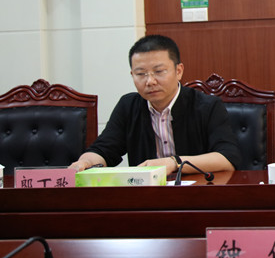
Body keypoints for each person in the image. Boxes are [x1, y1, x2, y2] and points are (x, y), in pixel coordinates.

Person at [70, 35, 242, 175]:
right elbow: (104, 149)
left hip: (196, 192)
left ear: (178, 71)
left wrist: (174, 163)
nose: (150, 81)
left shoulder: (207, 106)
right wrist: (85, 162)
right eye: (141, 74)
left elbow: (227, 158)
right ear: (132, 75)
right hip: (146, 196)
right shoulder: (128, 106)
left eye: (159, 72)